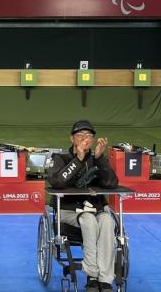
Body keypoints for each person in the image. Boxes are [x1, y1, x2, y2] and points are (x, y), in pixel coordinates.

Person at [46, 120, 118, 292]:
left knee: (108, 222)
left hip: (96, 209)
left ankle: (105, 279)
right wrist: (78, 159)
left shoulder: (97, 158)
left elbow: (111, 183)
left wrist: (100, 159)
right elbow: (57, 182)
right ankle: (92, 275)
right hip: (68, 211)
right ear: (72, 138)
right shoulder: (60, 158)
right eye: (80, 135)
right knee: (89, 220)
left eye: (89, 136)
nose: (85, 139)